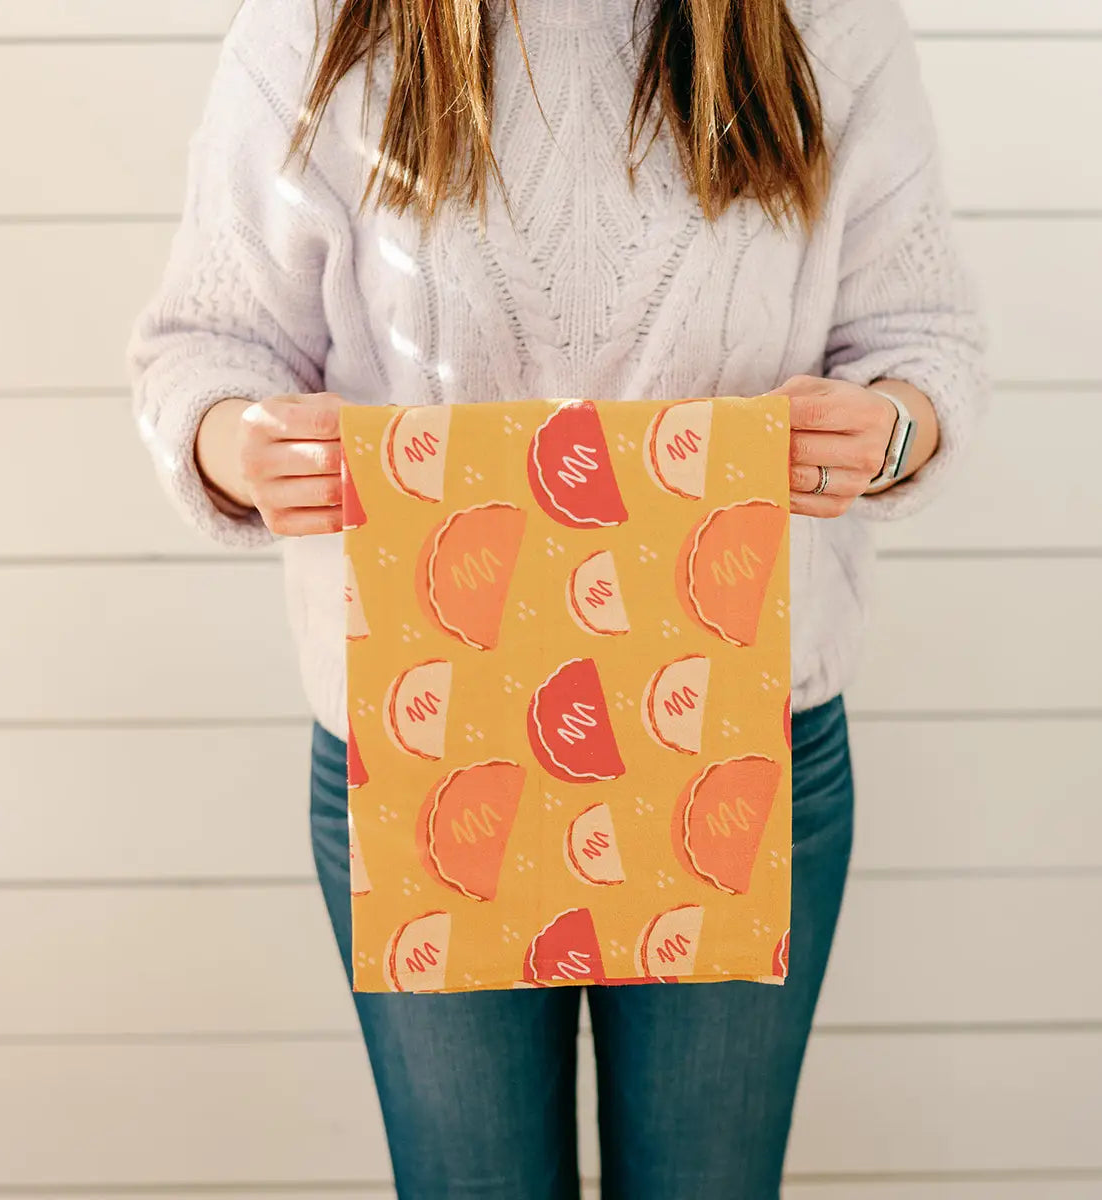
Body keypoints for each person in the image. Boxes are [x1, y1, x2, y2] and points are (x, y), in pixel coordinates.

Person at [128, 0, 986, 1193]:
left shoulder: (822, 23)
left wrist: (889, 426)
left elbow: (921, 336)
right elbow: (205, 347)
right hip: (421, 739)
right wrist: (236, 443)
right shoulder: (320, 29)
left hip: (742, 747)